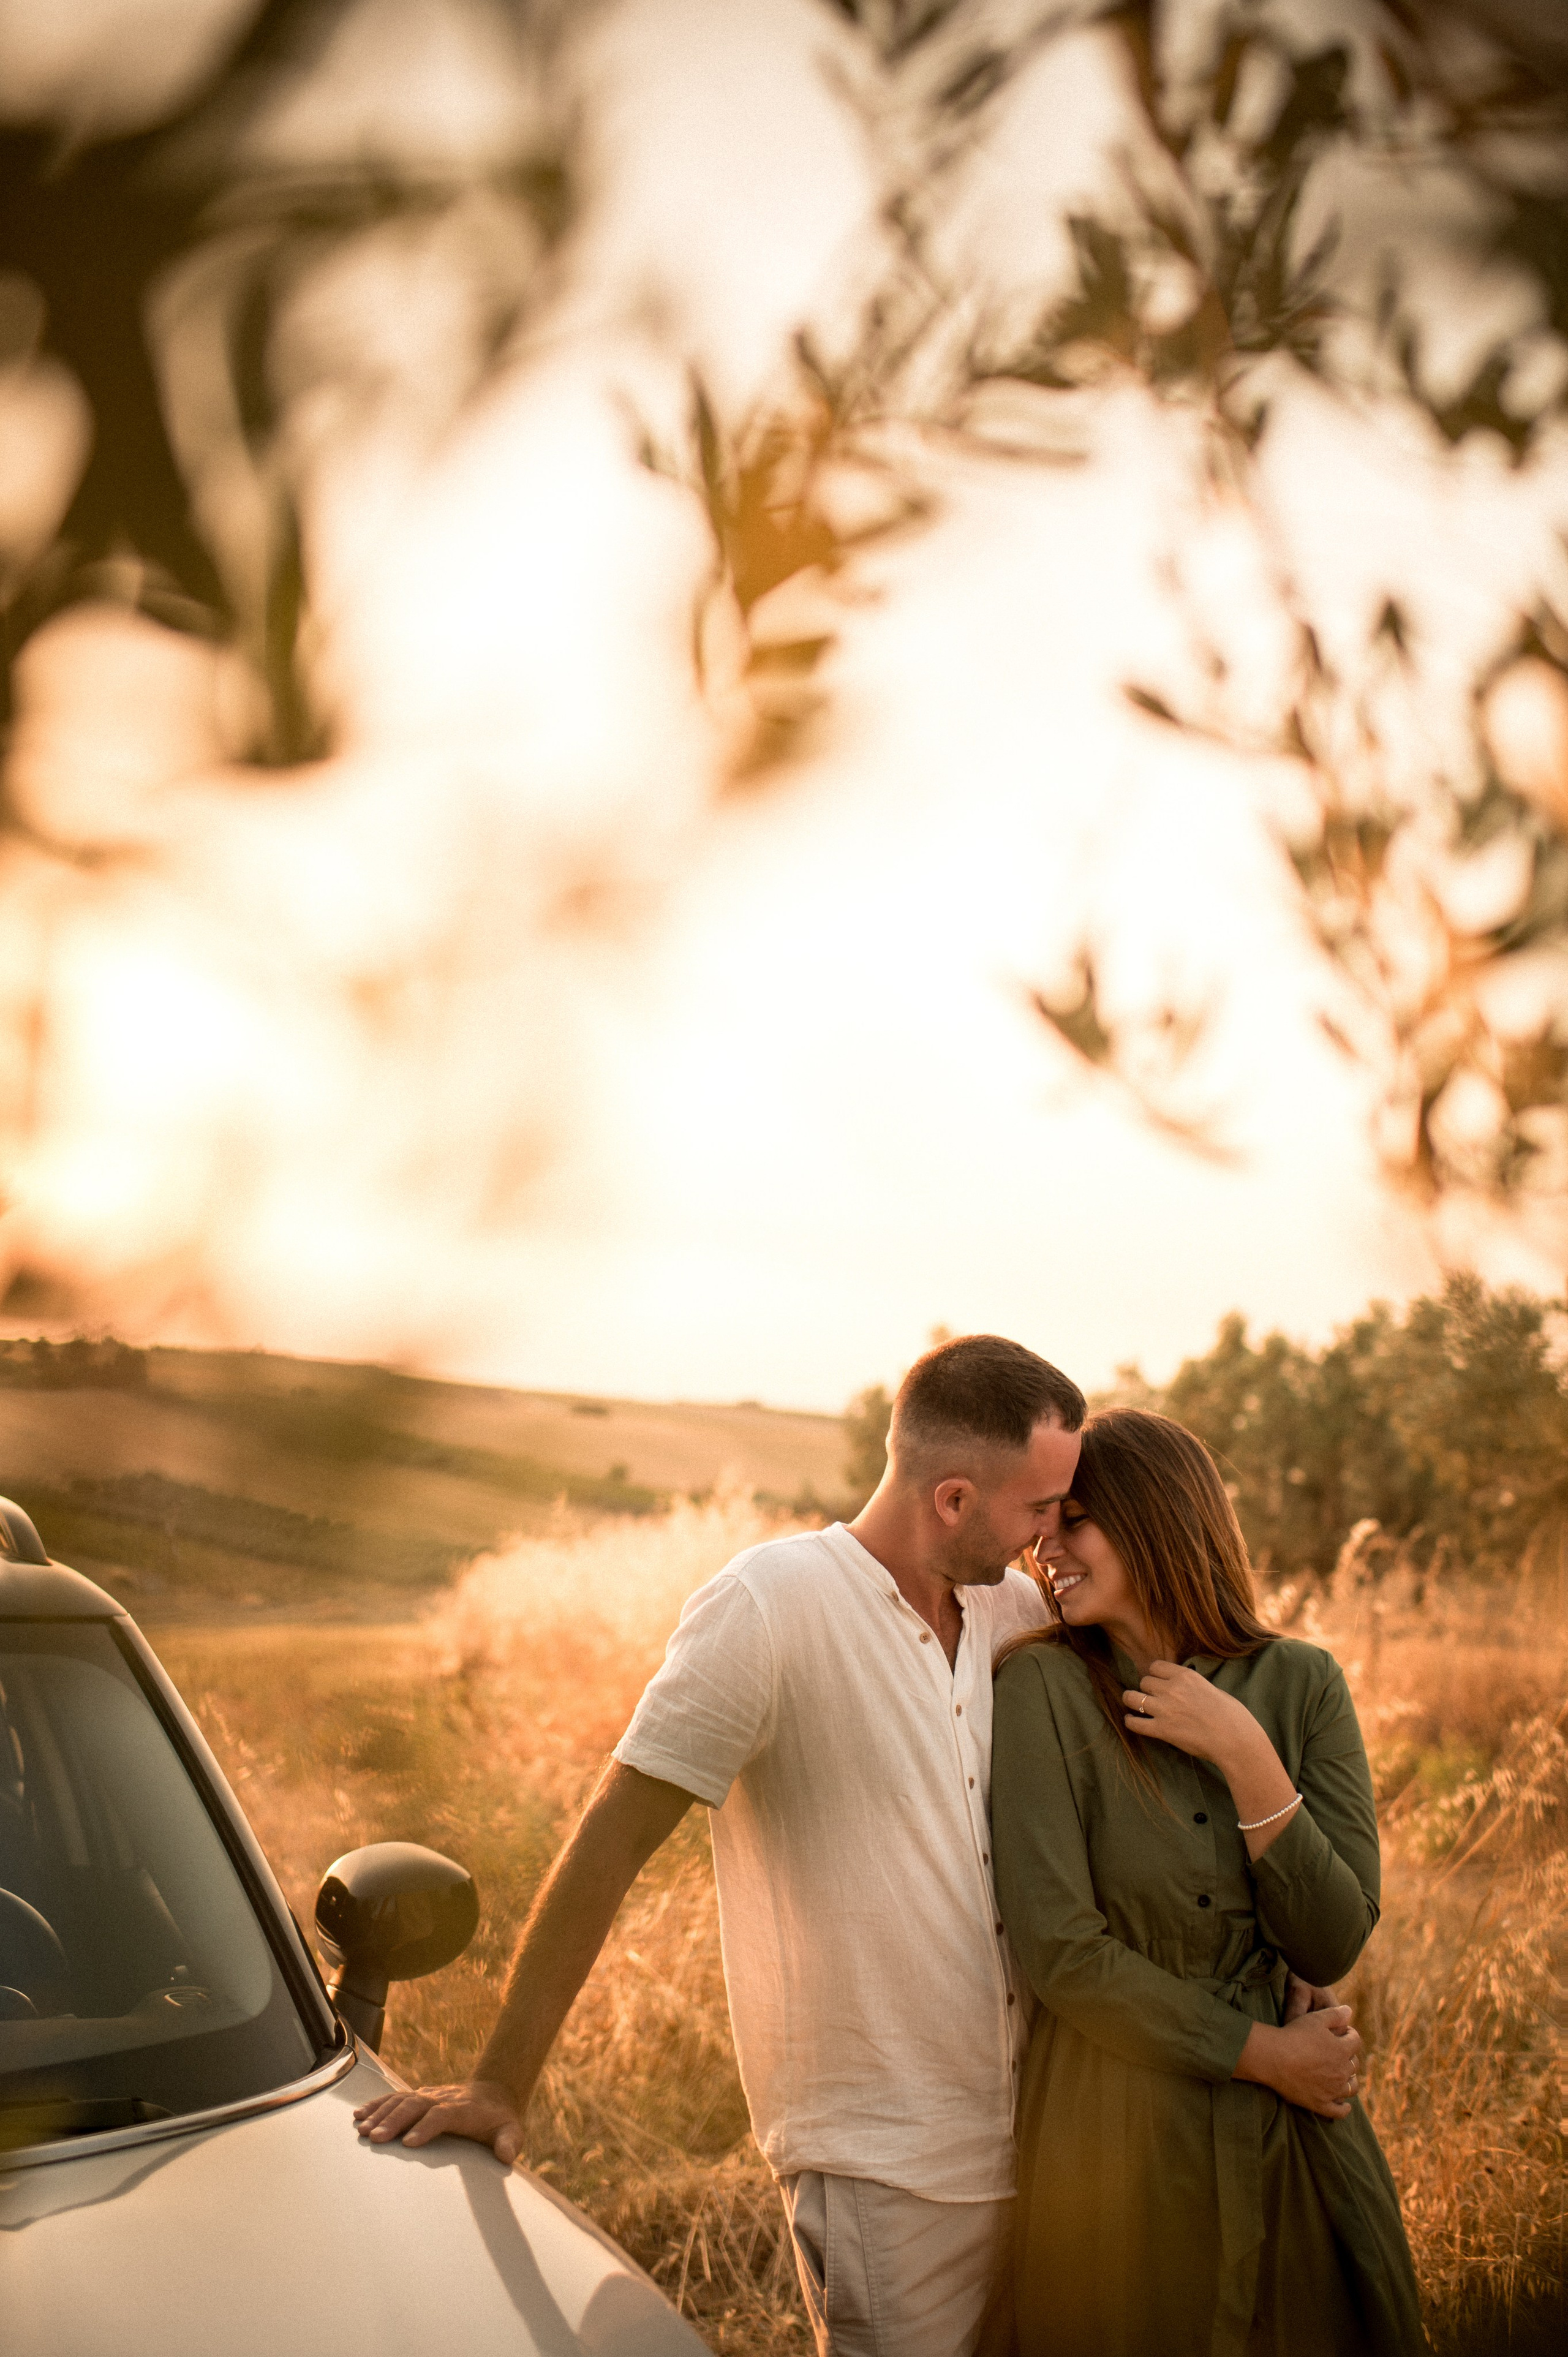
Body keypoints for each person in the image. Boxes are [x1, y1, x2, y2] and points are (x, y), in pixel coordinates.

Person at [353, 1333, 1087, 2357]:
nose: (1055, 1531)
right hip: (888, 2161)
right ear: (954, 1500)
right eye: (1040, 1507)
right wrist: (499, 2085)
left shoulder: (1015, 1612)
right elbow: (612, 1839)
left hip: (1048, 2147)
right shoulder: (769, 1606)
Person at [990, 1406, 1425, 2357]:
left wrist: (1247, 1756)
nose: (1045, 1547)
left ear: (1156, 1518)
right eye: (1043, 1523)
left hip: (1298, 2150)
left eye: (1076, 1520)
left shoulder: (1305, 1683)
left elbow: (1332, 1941)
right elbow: (1064, 1954)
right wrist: (1266, 2054)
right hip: (1120, 2136)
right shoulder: (1041, 1693)